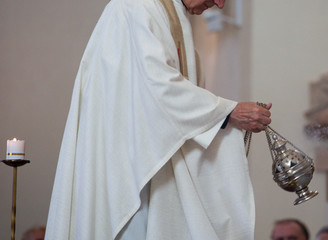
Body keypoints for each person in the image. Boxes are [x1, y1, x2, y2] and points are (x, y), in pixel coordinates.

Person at [45, 0, 271, 239]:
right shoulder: (135, 7)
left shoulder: (172, 15)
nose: (220, 4)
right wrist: (228, 112)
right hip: (132, 171)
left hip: (153, 167)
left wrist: (224, 114)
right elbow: (157, 86)